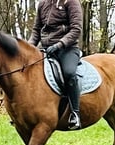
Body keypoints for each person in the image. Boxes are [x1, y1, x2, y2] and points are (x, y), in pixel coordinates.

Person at [28, 0, 83, 129]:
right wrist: (28, 49)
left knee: (69, 73)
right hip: (46, 49)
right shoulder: (42, 4)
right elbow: (36, 30)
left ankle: (75, 114)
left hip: (67, 49)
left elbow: (76, 29)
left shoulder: (72, 2)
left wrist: (59, 44)